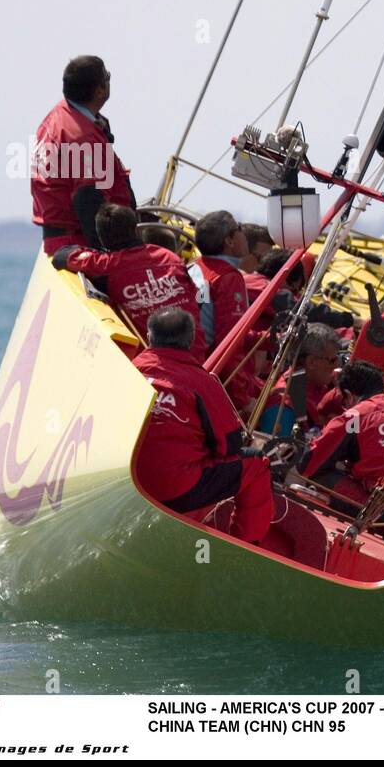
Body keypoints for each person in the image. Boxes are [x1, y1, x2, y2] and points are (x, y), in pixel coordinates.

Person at [132, 309, 274, 543]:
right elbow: (230, 445)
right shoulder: (203, 383)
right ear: (191, 340)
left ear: (149, 336)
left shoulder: (131, 367)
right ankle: (244, 548)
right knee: (257, 464)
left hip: (123, 476)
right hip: (172, 490)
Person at [52, 204, 207, 357]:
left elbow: (61, 256)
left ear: (102, 239)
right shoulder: (169, 256)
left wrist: (95, 254)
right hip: (200, 356)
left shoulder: (106, 265)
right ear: (135, 229)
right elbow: (198, 299)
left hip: (157, 365)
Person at [31, 56, 136, 254]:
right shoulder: (81, 136)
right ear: (100, 90)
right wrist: (105, 258)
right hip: (79, 241)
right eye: (107, 77)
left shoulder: (61, 116)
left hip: (64, 237)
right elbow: (88, 201)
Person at [300, 361, 384, 518]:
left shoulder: (355, 416)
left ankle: (375, 515)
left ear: (348, 395)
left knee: (319, 474)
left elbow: (310, 462)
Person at [193, 211, 250, 350]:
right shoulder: (228, 278)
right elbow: (231, 341)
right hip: (207, 364)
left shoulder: (192, 268)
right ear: (229, 241)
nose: (244, 234)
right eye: (239, 228)